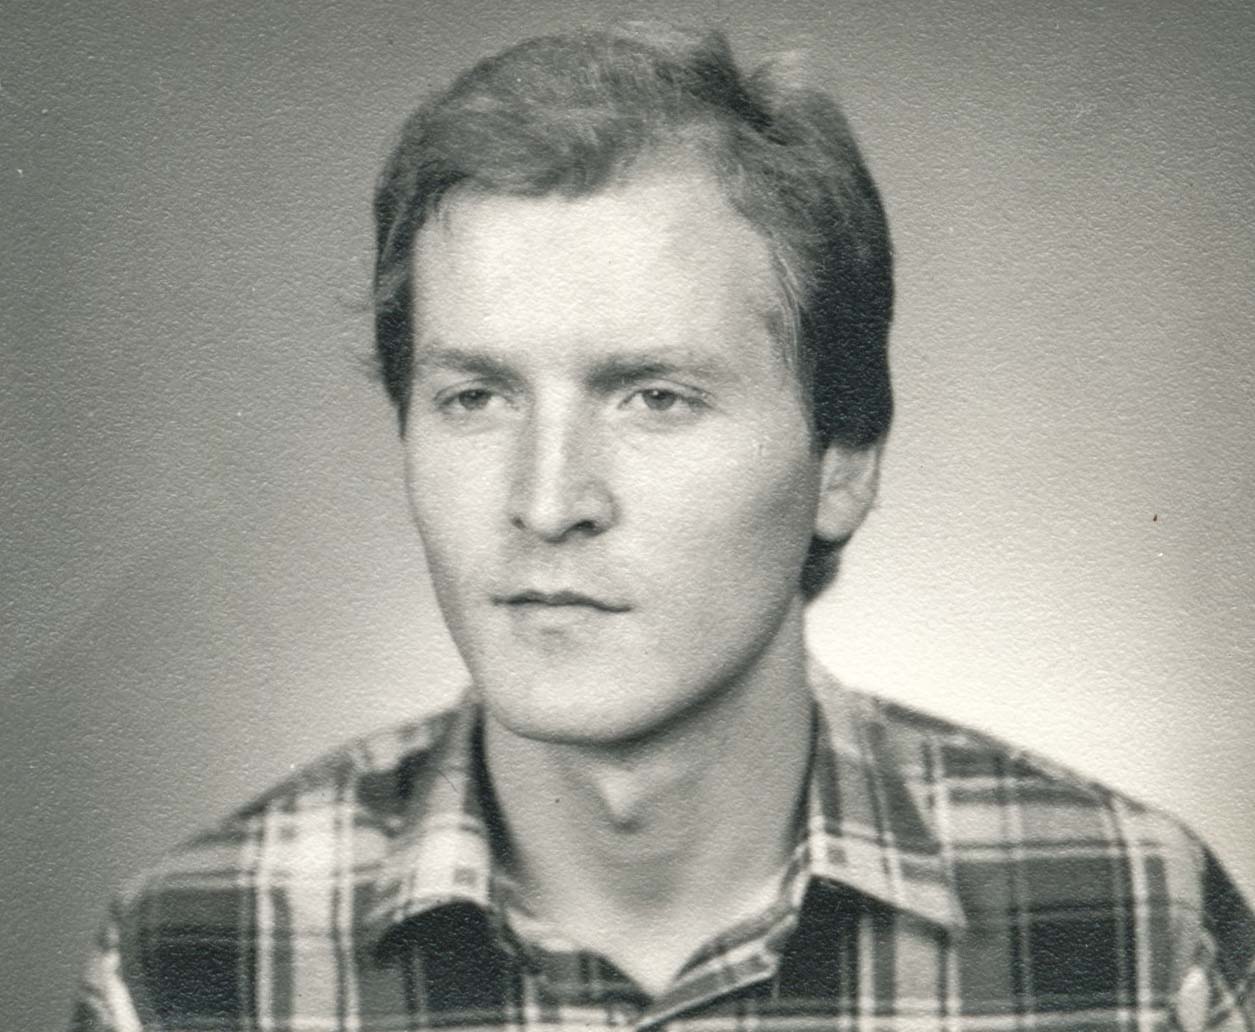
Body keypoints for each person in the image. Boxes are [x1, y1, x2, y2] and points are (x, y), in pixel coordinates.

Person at [69, 22, 1253, 1032]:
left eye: (654, 397)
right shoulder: (190, 964)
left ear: (843, 461)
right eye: (475, 397)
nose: (547, 502)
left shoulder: (1144, 934)